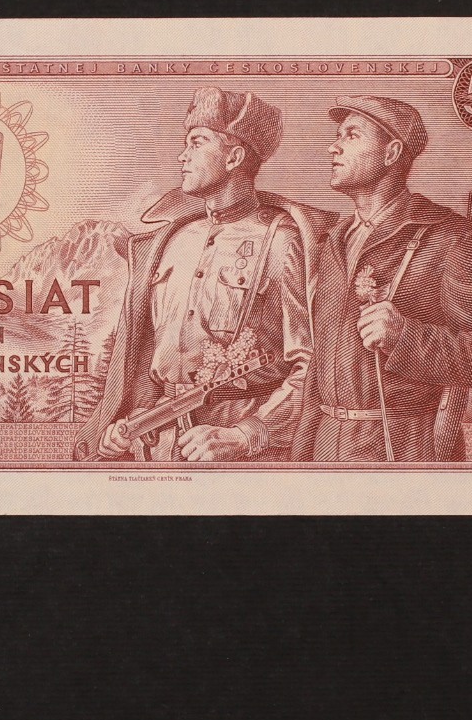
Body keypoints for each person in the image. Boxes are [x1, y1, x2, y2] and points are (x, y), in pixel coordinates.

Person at [74, 88, 332, 463]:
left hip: (237, 452)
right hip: (156, 445)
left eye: (197, 143)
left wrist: (248, 435)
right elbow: (145, 354)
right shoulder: (170, 241)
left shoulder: (281, 242)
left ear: (234, 157)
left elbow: (312, 363)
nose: (183, 156)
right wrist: (127, 421)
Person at [295, 96, 472, 463]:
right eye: (338, 135)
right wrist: (301, 455)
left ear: (391, 152)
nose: (333, 147)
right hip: (323, 449)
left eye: (351, 135)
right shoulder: (334, 242)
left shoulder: (450, 237)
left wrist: (406, 337)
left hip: (405, 448)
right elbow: (319, 369)